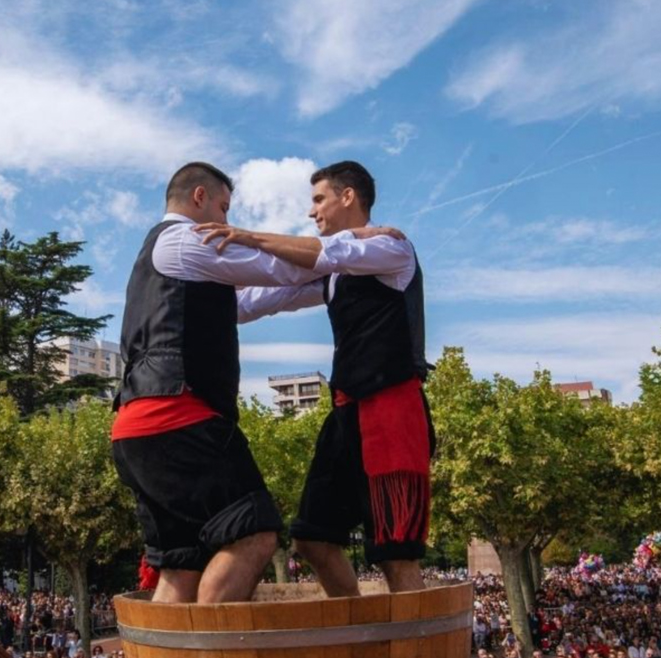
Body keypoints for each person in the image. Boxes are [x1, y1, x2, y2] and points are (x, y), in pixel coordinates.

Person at [199, 161, 432, 596]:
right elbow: (255, 302)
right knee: (311, 537)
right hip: (346, 415)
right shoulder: (334, 275)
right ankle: (358, 633)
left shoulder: (393, 248)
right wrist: (189, 290)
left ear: (348, 197)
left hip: (392, 411)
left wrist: (248, 237)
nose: (312, 212)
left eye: (318, 199)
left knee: (397, 554)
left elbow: (330, 252)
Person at [110, 162, 338, 604]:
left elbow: (260, 298)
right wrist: (349, 250)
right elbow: (280, 269)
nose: (227, 223)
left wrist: (332, 284)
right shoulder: (185, 239)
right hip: (177, 419)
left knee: (181, 565)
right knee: (255, 533)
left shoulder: (171, 265)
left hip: (136, 430)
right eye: (224, 208)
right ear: (199, 198)